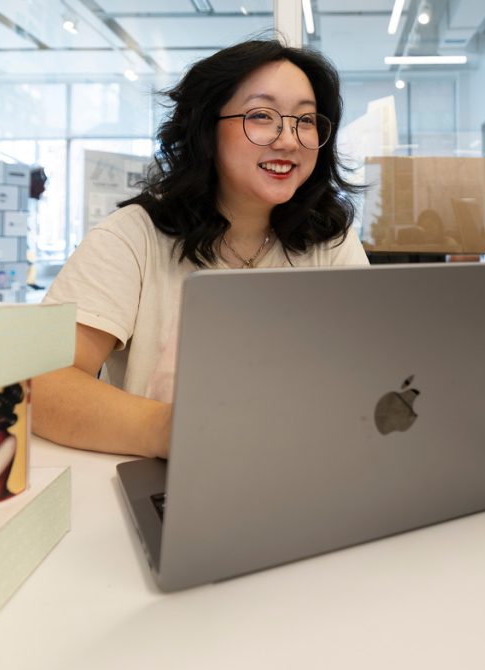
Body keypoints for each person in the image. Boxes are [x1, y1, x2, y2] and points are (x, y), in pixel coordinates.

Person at [34, 39, 368, 457]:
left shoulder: (330, 241)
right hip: (167, 475)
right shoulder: (133, 237)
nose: (288, 140)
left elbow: (367, 374)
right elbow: (42, 383)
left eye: (305, 119)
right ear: (206, 128)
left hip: (305, 464)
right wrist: (179, 431)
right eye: (261, 115)